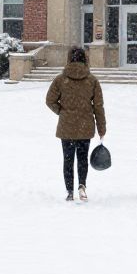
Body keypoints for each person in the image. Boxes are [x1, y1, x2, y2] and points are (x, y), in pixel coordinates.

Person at [46, 47, 106, 201]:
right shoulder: (92, 80)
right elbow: (98, 106)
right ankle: (82, 185)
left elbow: (50, 100)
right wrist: (101, 127)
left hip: (67, 126)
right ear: (85, 59)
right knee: (83, 158)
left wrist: (62, 111)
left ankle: (69, 191)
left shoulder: (60, 79)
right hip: (85, 126)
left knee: (68, 159)